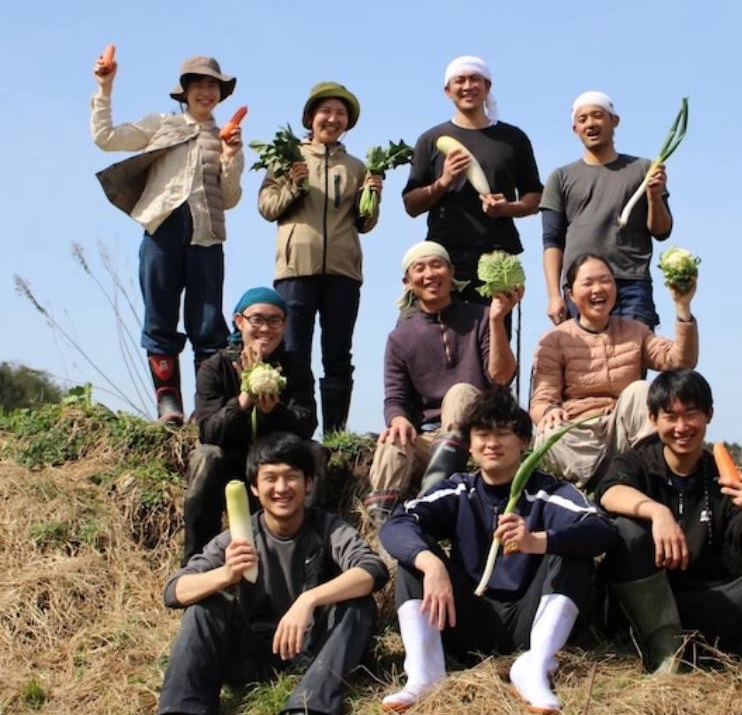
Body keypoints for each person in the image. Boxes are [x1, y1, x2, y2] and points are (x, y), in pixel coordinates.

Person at [379, 388, 617, 715]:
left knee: (572, 551)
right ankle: (424, 673)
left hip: (528, 621)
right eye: (482, 434)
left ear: (523, 442)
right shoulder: (458, 489)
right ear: (470, 445)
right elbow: (396, 524)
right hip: (466, 619)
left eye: (503, 434)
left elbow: (601, 529)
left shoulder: (548, 491)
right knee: (415, 561)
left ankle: (535, 667)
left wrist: (538, 541)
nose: (492, 443)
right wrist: (431, 563)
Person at [156, 432, 389, 715]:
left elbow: (372, 569)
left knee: (358, 603)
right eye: (270, 478)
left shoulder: (327, 528)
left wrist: (307, 601)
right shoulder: (238, 535)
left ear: (308, 484)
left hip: (313, 654)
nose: (281, 488)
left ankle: (306, 713)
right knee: (202, 606)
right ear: (254, 487)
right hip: (250, 653)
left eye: (291, 477)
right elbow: (174, 591)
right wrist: (225, 575)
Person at [597, 370, 742, 704]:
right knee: (627, 531)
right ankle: (666, 659)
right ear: (653, 419)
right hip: (640, 615)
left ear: (709, 416)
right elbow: (609, 492)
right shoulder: (637, 461)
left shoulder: (724, 477)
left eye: (691, 414)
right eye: (670, 417)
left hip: (707, 606)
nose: (682, 427)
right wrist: (658, 512)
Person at [92, 54, 244, 425]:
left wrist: (230, 156)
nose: (206, 92)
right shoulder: (162, 125)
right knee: (159, 317)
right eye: (199, 85)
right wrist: (105, 86)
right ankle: (168, 405)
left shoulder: (225, 137)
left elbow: (230, 198)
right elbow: (105, 138)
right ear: (186, 91)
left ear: (220, 95)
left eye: (213, 86)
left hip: (206, 235)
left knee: (208, 325)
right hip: (162, 228)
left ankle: (206, 407)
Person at [363, 242, 521, 523]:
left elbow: (501, 377)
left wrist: (497, 321)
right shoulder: (400, 338)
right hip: (430, 437)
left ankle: (430, 498)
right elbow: (395, 397)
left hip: (479, 433)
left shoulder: (481, 317)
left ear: (451, 272)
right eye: (419, 269)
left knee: (460, 393)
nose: (429, 274)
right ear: (408, 282)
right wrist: (398, 419)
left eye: (436, 265)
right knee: (392, 441)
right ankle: (382, 529)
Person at [257, 81, 382, 434]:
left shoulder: (357, 167)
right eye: (325, 111)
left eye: (341, 113)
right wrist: (293, 186)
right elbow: (267, 208)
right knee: (294, 352)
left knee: (339, 353)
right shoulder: (286, 159)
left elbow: (365, 223)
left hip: (343, 271)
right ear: (310, 117)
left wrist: (371, 196)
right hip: (296, 268)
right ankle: (296, 430)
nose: (333, 119)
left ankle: (335, 435)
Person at [530, 253, 698, 490]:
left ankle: (650, 479)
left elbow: (680, 363)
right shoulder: (554, 339)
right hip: (580, 435)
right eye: (588, 283)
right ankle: (604, 485)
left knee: (641, 390)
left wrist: (683, 308)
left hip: (621, 432)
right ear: (571, 295)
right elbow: (541, 399)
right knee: (548, 434)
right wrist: (549, 410)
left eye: (605, 280)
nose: (598, 289)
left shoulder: (635, 331)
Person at [186, 287, 317, 563]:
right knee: (206, 456)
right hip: (231, 467)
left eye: (274, 321)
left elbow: (307, 424)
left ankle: (310, 555)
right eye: (257, 320)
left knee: (314, 451)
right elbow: (208, 431)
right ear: (239, 321)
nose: (265, 329)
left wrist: (275, 412)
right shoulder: (215, 366)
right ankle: (196, 561)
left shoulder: (296, 367)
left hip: (273, 466)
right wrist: (243, 401)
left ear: (285, 325)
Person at [402, 55, 542, 303]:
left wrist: (508, 208)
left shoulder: (513, 138)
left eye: (475, 79)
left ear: (487, 86)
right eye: (460, 81)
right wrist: (443, 181)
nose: (468, 86)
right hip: (445, 254)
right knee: (444, 336)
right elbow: (411, 205)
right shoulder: (431, 139)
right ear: (448, 90)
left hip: (498, 253)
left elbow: (535, 196)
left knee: (495, 335)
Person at [540, 91, 672, 329]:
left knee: (631, 362)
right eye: (582, 119)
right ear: (575, 129)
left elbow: (662, 231)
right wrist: (553, 296)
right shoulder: (560, 177)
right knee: (583, 363)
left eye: (597, 116)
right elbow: (552, 240)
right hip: (581, 284)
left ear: (614, 121)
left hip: (631, 282)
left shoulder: (644, 169)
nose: (590, 124)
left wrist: (654, 196)